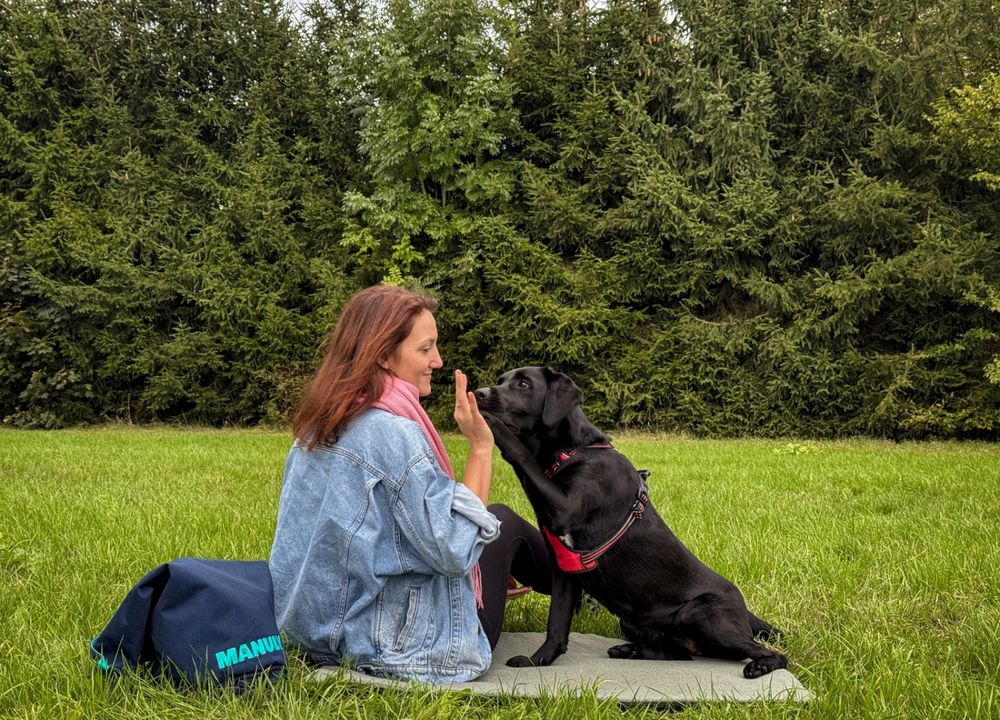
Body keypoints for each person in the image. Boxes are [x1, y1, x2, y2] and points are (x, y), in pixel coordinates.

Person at [269, 284, 551, 683]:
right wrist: (482, 449)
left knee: (488, 524)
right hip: (396, 648)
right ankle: (585, 583)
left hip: (311, 631)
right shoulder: (392, 432)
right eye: (425, 349)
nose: (437, 360)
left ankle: (579, 589)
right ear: (383, 355)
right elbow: (455, 549)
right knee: (499, 522)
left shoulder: (317, 426)